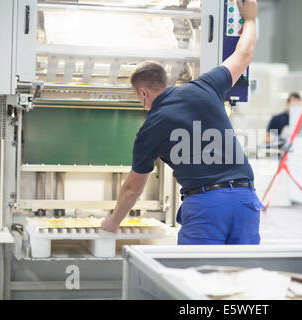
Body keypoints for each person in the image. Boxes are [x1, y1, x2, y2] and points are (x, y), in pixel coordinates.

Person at [102, 0, 263, 245]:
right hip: (245, 199)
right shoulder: (206, 85)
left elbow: (132, 188)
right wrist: (250, 18)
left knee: (196, 279)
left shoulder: (151, 127)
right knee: (241, 277)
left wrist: (113, 222)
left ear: (143, 93)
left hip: (207, 205)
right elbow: (244, 54)